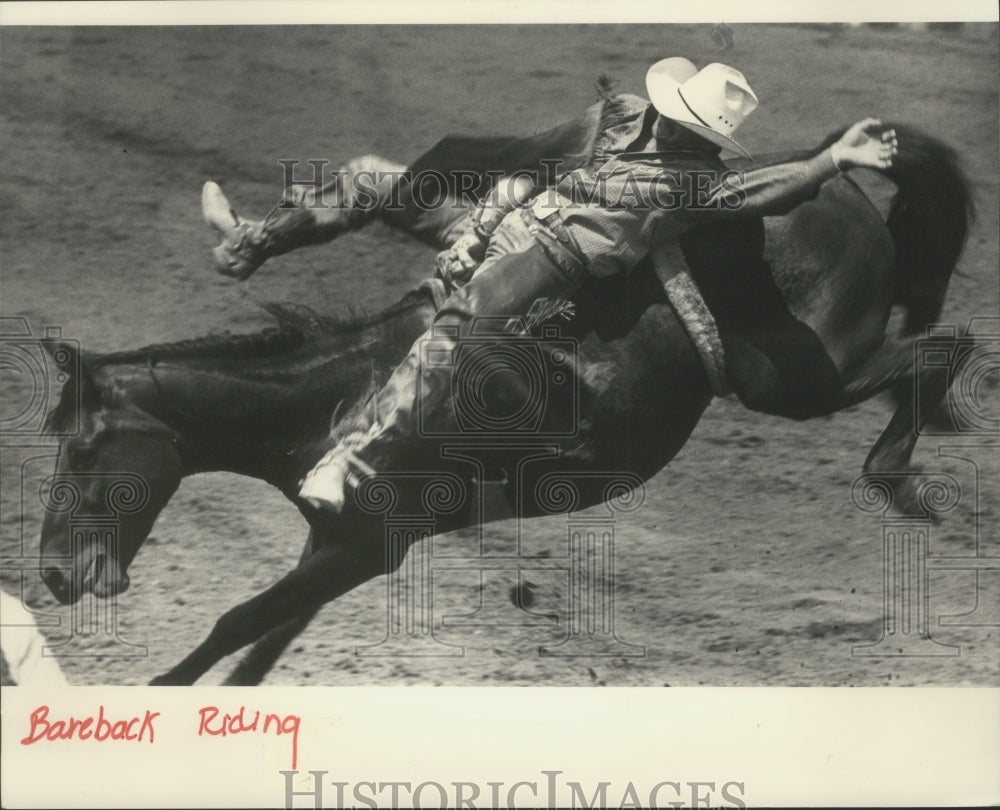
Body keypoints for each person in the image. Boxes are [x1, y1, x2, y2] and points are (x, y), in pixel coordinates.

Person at [211, 58, 899, 511]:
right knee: (367, 174)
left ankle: (352, 460)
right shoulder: (628, 120)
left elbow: (758, 191)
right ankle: (250, 242)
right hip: (509, 219)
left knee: (453, 329)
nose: (676, 127)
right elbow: (537, 163)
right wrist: (490, 210)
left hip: (548, 260)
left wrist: (832, 160)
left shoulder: (691, 186)